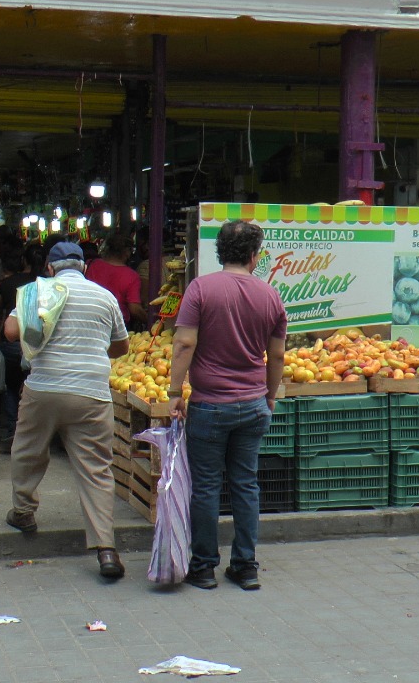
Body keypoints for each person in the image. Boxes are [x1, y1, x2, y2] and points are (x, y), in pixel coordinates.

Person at [167, 221, 286, 591]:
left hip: (210, 405)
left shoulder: (201, 289)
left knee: (205, 486)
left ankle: (203, 568)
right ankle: (245, 566)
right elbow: (277, 354)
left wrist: (174, 391)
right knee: (245, 484)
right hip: (253, 404)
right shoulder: (270, 295)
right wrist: (269, 395)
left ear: (220, 252)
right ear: (254, 256)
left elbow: (184, 343)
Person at [4, 242, 130, 580]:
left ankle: (23, 512)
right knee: (96, 468)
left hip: (44, 387)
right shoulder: (104, 297)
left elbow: (11, 332)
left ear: (49, 268)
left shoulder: (36, 291)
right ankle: (105, 547)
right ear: (84, 267)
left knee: (28, 451)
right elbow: (121, 346)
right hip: (92, 392)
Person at [0, 245, 41, 442]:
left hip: (13, 343)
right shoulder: (48, 285)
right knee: (36, 388)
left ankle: (13, 429)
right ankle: (37, 433)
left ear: (23, 261)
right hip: (41, 346)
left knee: (11, 388)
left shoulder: (9, 283)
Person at [86, 233, 145, 326]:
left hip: (89, 318)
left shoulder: (91, 264)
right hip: (116, 324)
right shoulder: (131, 276)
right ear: (127, 252)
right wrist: (148, 320)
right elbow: (134, 308)